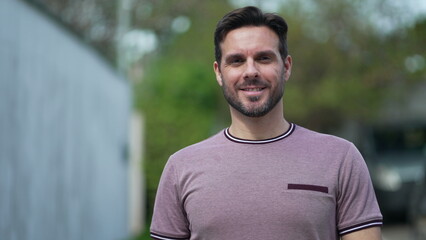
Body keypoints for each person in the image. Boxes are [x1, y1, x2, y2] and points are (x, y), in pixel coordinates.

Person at [150, 6, 383, 240]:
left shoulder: (340, 159)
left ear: (286, 67)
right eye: (237, 60)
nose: (250, 71)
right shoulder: (180, 168)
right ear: (219, 72)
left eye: (263, 58)